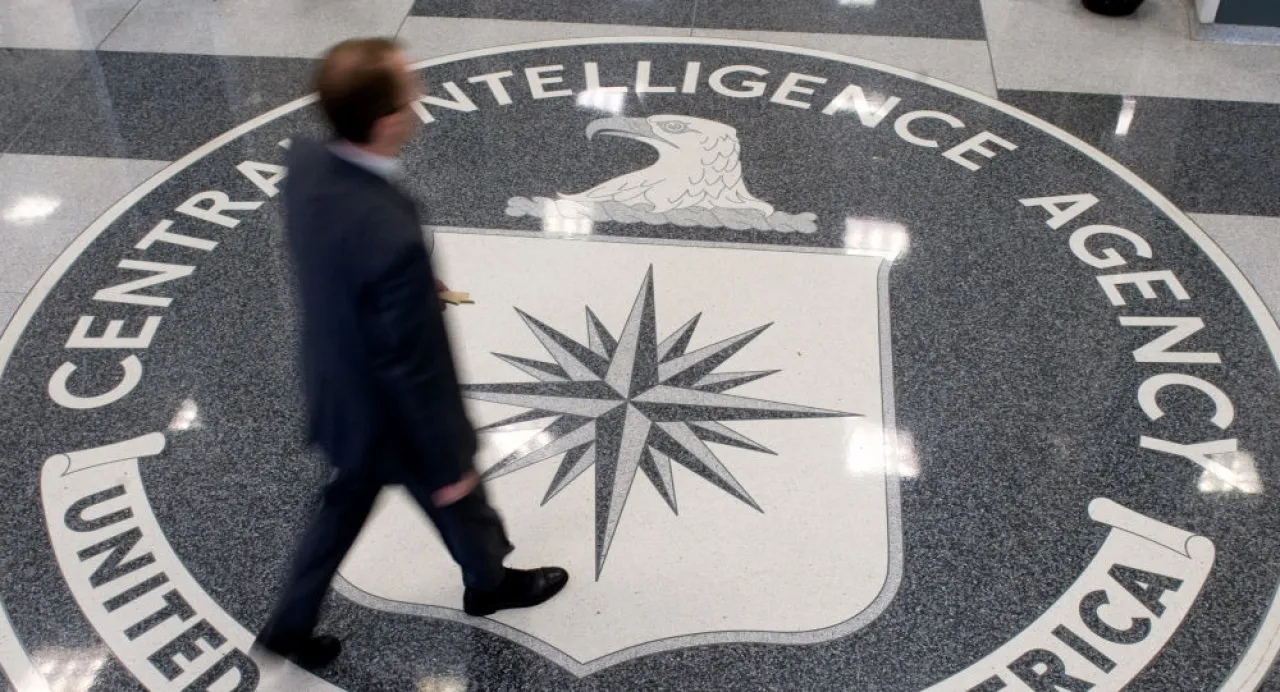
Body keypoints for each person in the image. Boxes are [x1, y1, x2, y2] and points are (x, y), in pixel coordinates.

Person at [255, 37, 568, 670]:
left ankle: (288, 625)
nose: (418, 100)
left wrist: (407, 288)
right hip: (392, 415)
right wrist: (449, 452)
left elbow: (338, 256)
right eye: (408, 93)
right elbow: (413, 366)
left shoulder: (308, 163)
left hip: (337, 386)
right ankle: (489, 586)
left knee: (342, 509)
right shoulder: (389, 236)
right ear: (385, 120)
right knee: (459, 496)